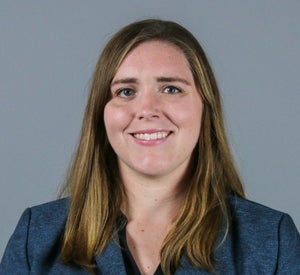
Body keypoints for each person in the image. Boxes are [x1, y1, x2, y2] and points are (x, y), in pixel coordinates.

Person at [1, 19, 299, 275]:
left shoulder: (269, 240)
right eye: (126, 91)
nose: (147, 109)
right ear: (101, 113)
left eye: (171, 89)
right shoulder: (36, 238)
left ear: (204, 107)